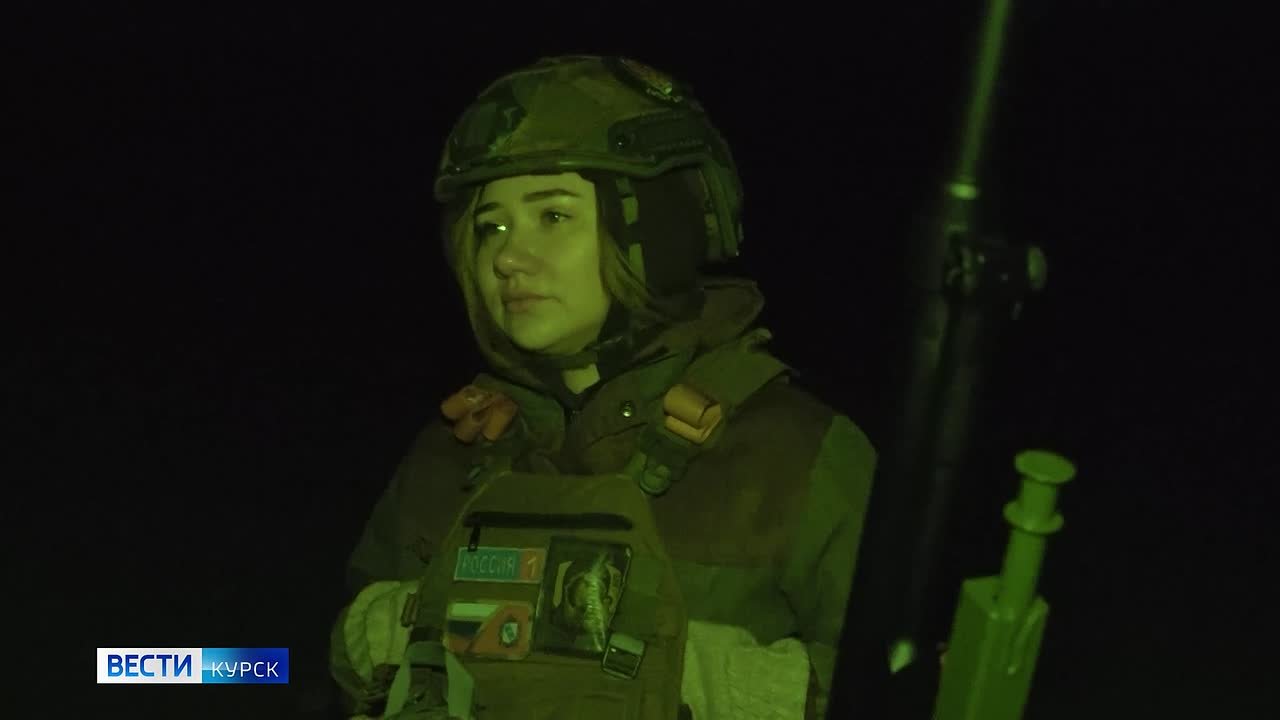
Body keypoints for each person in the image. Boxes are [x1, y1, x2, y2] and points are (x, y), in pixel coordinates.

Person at [328, 55, 877, 720]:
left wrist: (724, 680)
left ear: (658, 228)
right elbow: (334, 671)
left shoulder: (794, 455)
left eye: (553, 216)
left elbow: (911, 683)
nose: (507, 258)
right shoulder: (451, 454)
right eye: (491, 227)